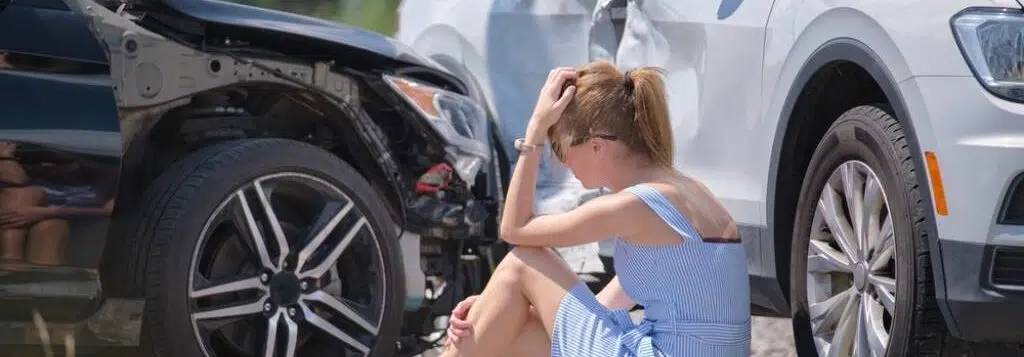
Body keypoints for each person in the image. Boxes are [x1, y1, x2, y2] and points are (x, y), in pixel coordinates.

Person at [438, 61, 751, 357]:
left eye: (560, 146)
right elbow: (601, 308)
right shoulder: (691, 194)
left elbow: (515, 230)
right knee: (505, 330)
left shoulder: (634, 206)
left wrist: (534, 131)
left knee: (524, 261)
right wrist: (495, 306)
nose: (561, 161)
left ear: (597, 146)